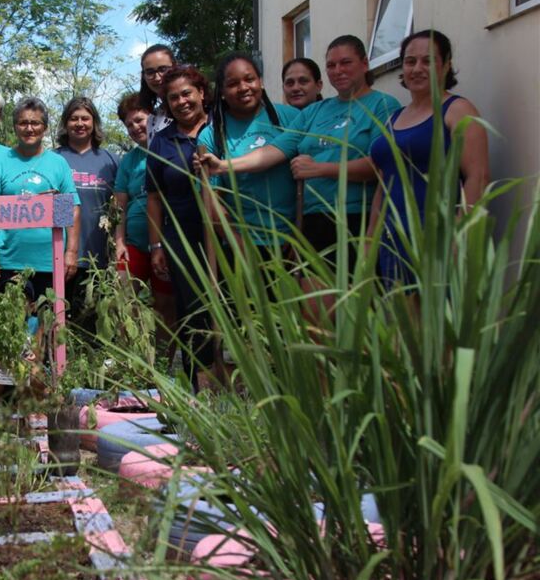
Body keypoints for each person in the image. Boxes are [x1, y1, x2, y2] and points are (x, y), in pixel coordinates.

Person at [198, 36, 401, 266]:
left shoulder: (384, 105)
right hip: (314, 220)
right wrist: (223, 166)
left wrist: (320, 169)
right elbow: (275, 150)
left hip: (358, 216)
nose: (338, 70)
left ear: (364, 64)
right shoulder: (314, 112)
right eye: (331, 65)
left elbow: (381, 165)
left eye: (346, 63)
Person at [368, 29, 489, 286]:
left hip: (439, 239)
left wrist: (457, 238)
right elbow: (384, 185)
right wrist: (370, 242)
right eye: (410, 61)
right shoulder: (394, 118)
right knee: (402, 325)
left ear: (446, 66)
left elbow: (477, 177)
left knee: (437, 324)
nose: (417, 68)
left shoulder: (458, 110)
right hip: (394, 241)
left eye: (428, 61)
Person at [146, 65, 214, 389]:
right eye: (173, 98)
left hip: (226, 236)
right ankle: (197, 392)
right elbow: (155, 198)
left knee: (228, 309)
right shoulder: (161, 142)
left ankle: (236, 391)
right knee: (193, 315)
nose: (182, 101)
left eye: (187, 93)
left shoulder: (221, 129)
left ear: (201, 93)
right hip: (181, 240)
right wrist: (156, 246)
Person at [0, 97, 80, 302]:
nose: (29, 128)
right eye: (23, 123)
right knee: (14, 324)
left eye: (35, 123)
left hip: (51, 259)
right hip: (10, 260)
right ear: (15, 126)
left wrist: (70, 251)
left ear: (44, 127)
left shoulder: (57, 163)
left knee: (48, 326)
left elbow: (69, 208)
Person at [200, 53, 299, 255]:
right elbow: (212, 201)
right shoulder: (210, 136)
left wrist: (299, 234)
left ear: (260, 82)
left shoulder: (290, 118)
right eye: (233, 83)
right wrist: (243, 247)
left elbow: (309, 180)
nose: (243, 87)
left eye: (249, 79)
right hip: (242, 248)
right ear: (221, 92)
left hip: (295, 241)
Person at [112, 92, 175, 347]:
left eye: (139, 120)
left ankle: (163, 365)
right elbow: (119, 205)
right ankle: (133, 361)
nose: (135, 127)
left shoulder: (171, 149)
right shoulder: (130, 160)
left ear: (153, 118)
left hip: (166, 242)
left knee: (165, 307)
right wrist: (119, 242)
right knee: (123, 302)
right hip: (134, 244)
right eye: (129, 125)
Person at [55, 97, 119, 274]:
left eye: (85, 118)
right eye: (74, 118)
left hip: (101, 257)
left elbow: (120, 208)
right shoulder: (54, 159)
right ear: (66, 123)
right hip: (61, 256)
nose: (79, 123)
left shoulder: (111, 160)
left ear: (94, 122)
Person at [138, 44, 177, 143]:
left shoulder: (192, 108)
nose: (157, 77)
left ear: (175, 67)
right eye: (150, 72)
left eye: (163, 69)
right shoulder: (152, 120)